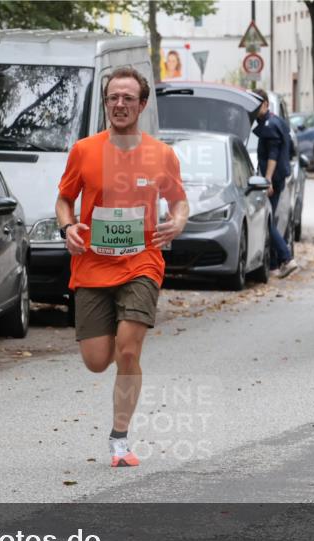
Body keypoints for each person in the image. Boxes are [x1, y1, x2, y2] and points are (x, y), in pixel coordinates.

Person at [55, 66, 189, 468]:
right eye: (113, 97)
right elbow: (64, 199)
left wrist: (178, 221)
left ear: (142, 105)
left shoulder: (161, 155)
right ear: (105, 103)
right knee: (98, 361)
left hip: (142, 262)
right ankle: (113, 333)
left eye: (128, 98)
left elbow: (179, 201)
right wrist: (68, 227)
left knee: (128, 351)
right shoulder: (84, 150)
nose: (119, 104)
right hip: (93, 266)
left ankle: (120, 439)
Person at [252, 89, 300, 278]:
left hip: (273, 179)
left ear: (265, 104)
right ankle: (273, 265)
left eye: (258, 104)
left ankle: (286, 259)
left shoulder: (270, 125)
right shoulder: (275, 121)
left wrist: (268, 180)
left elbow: (273, 155)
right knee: (268, 218)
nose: (254, 109)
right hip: (277, 177)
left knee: (267, 221)